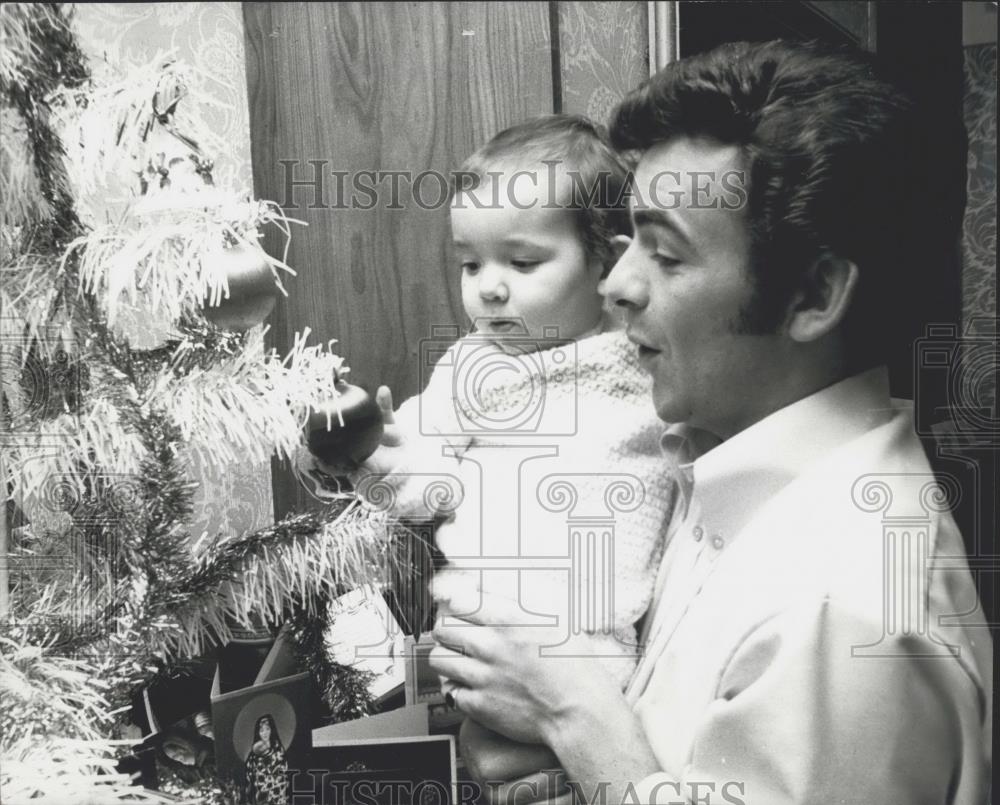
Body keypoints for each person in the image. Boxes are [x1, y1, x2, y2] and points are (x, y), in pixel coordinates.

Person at [429, 40, 992, 805]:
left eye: (665, 253)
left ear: (812, 296)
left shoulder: (848, 609)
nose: (618, 284)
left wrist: (576, 715)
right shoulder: (704, 467)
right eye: (627, 242)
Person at [340, 115, 678, 695]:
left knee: (571, 772)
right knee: (496, 771)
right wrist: (390, 459)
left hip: (600, 643)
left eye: (522, 263)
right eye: (471, 264)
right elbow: (427, 474)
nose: (489, 287)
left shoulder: (647, 356)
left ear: (609, 263)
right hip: (482, 630)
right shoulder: (475, 367)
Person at [244, 714, 289, 805]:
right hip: (261, 794)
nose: (265, 733)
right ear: (258, 732)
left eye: (267, 729)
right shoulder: (253, 754)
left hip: (278, 793)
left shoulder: (279, 750)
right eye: (262, 730)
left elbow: (284, 772)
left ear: (272, 730)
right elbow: (249, 776)